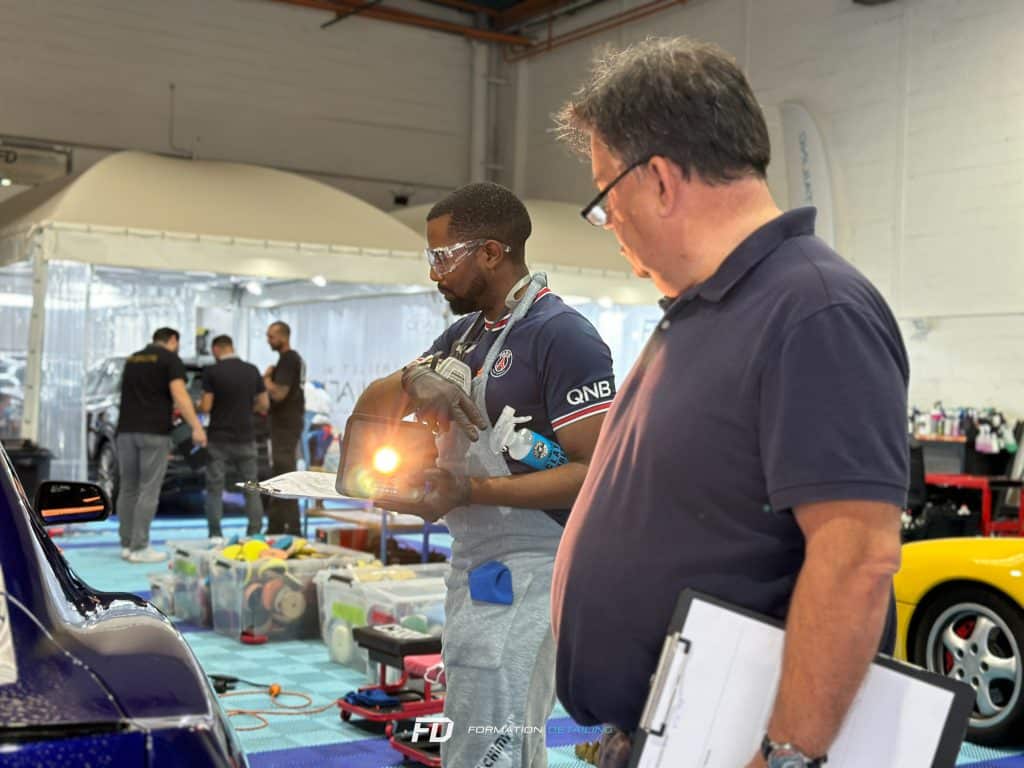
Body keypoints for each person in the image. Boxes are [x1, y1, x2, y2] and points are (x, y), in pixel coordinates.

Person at [551, 37, 909, 768]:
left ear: (656, 180)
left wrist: (785, 755)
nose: (608, 221)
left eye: (602, 197)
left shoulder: (813, 310)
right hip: (664, 731)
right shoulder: (708, 309)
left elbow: (858, 558)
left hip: (730, 740)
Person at [354, 181, 615, 768]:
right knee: (478, 723)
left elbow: (592, 474)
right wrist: (410, 382)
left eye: (444, 257)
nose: (435, 274)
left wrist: (471, 489)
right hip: (474, 557)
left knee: (497, 731)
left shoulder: (563, 336)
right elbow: (376, 402)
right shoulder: (466, 335)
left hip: (536, 560)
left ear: (493, 253)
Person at [116, 327, 207, 563]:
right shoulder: (170, 359)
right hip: (153, 432)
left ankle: (126, 544)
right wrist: (196, 426)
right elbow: (180, 394)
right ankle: (140, 546)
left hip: (125, 430)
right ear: (173, 340)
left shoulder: (133, 359)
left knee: (128, 487)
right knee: (149, 488)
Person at [199, 335, 269, 540]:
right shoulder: (252, 370)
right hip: (246, 438)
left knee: (214, 488)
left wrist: (196, 406)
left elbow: (206, 406)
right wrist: (247, 409)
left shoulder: (212, 372)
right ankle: (255, 531)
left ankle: (215, 533)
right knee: (251, 487)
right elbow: (264, 404)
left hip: (219, 438)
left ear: (217, 349)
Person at [263, 321, 305, 534]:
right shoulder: (286, 360)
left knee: (285, 478)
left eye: (271, 336)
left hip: (286, 428)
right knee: (279, 477)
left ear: (283, 336)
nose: (268, 341)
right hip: (283, 427)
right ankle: (276, 526)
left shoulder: (289, 359)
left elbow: (279, 393)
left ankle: (292, 528)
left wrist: (267, 379)